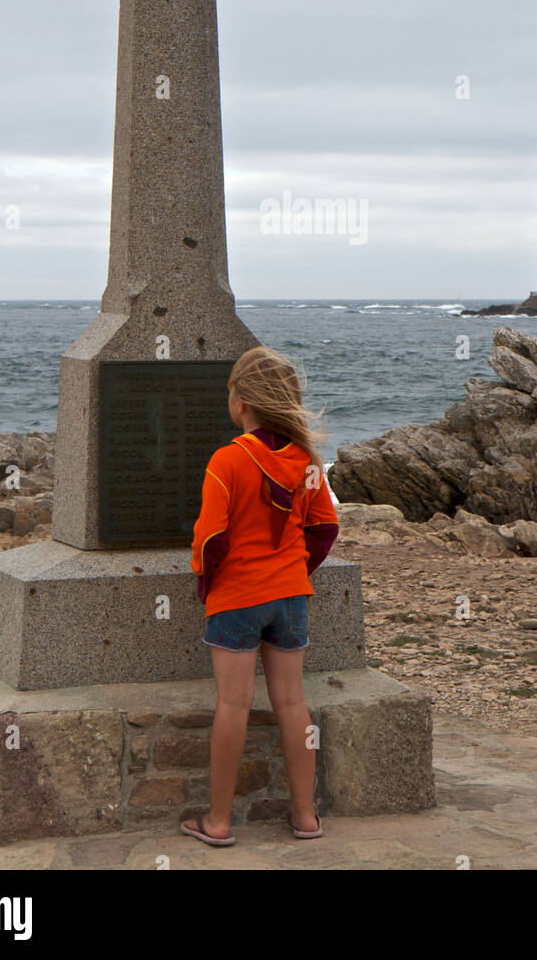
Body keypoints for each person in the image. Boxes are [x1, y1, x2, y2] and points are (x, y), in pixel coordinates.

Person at [181, 345, 339, 847]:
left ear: (242, 401)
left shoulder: (226, 461)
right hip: (291, 596)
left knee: (234, 705)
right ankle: (306, 815)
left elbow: (211, 538)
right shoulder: (307, 461)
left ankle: (220, 821)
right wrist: (294, 570)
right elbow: (324, 529)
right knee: (293, 703)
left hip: (237, 597)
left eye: (230, 391)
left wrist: (207, 585)